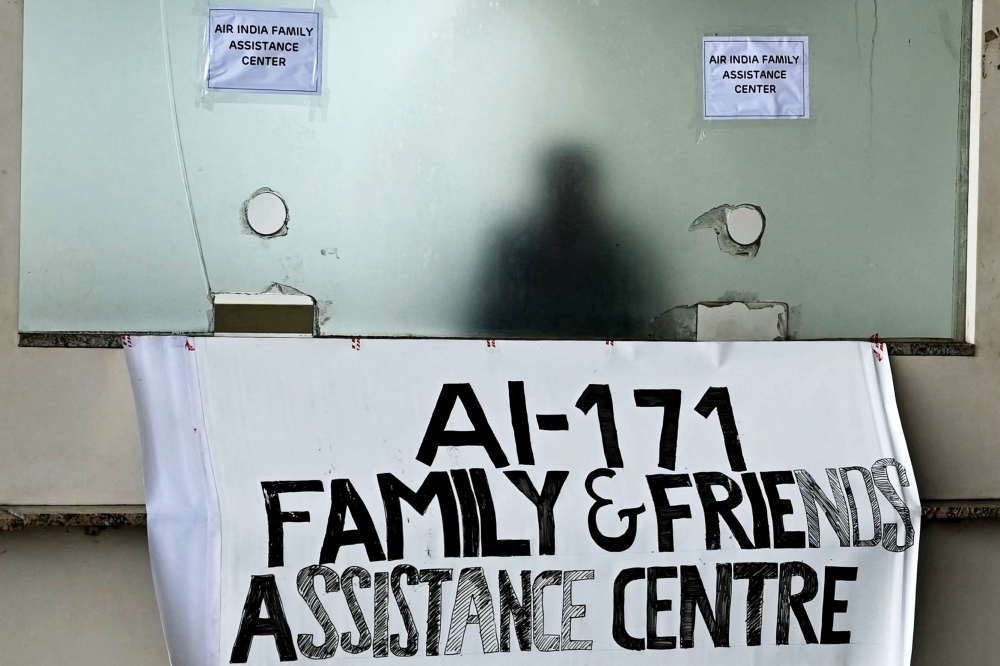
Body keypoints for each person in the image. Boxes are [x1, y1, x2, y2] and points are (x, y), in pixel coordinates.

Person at [469, 144, 654, 339]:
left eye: (574, 185)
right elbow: (488, 321)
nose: (568, 194)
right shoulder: (513, 248)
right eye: (562, 185)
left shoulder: (618, 250)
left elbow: (639, 322)